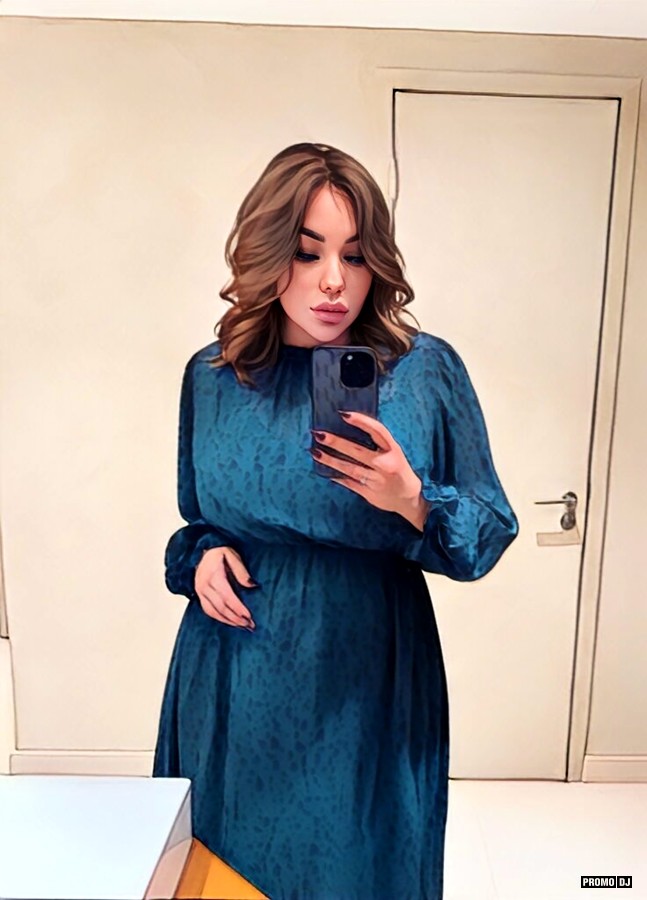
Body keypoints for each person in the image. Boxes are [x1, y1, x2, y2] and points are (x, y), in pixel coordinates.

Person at [153, 142, 518, 900]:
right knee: (226, 866)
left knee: (359, 865)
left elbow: (487, 529)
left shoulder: (422, 370)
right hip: (233, 675)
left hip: (367, 677)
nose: (332, 281)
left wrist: (411, 498)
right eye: (307, 251)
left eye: (354, 256)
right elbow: (194, 519)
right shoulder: (213, 376)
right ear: (266, 254)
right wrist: (203, 556)